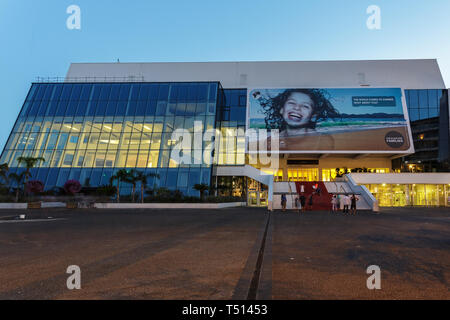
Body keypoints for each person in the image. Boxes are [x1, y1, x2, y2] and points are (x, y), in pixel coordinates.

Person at [259, 89, 340, 151]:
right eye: (292, 103)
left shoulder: (324, 141)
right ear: (281, 109)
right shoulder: (271, 141)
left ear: (313, 116)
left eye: (305, 106)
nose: (297, 108)